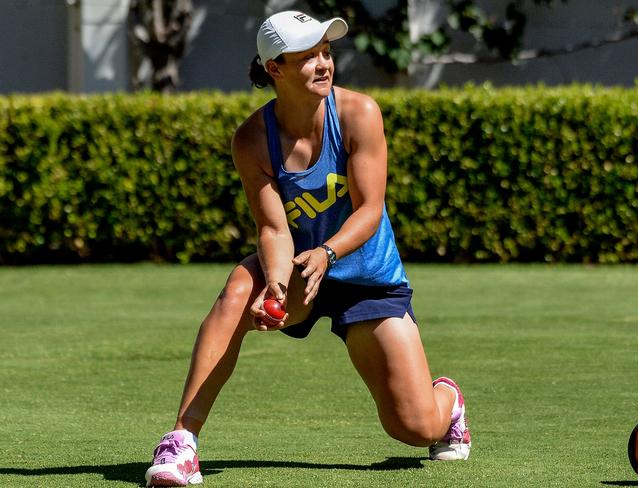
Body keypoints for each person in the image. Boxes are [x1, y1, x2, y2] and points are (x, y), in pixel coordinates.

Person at [144, 10, 471, 487]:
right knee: (239, 289)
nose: (323, 64)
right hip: (298, 270)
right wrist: (276, 286)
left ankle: (448, 400)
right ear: (274, 68)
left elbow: (369, 211)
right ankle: (181, 442)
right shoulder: (253, 139)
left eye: (326, 53)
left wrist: (328, 254)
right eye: (308, 57)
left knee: (416, 427)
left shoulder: (359, 114)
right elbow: (274, 229)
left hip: (366, 278)